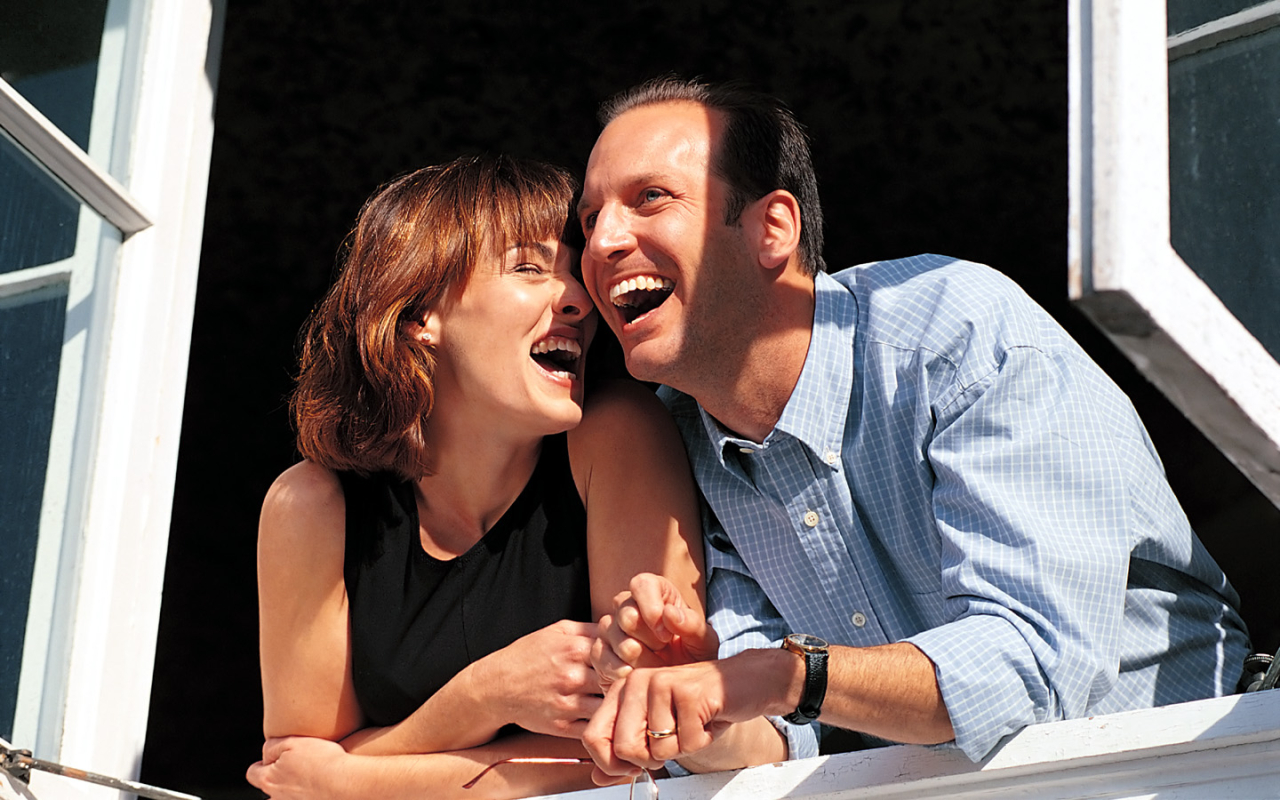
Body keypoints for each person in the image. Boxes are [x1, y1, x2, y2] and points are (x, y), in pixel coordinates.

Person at [575, 77, 1251, 780]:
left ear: (772, 228)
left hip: (1211, 767)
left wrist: (788, 675)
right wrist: (691, 710)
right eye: (589, 220)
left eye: (650, 198)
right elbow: (781, 743)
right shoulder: (678, 438)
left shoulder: (955, 333)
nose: (603, 242)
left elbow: (1032, 663)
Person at [245, 155, 706, 800]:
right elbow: (294, 774)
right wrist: (486, 694)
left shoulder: (616, 433)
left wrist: (355, 779)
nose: (580, 299)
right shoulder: (312, 506)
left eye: (574, 274)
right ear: (418, 316)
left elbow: (649, 741)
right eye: (529, 269)